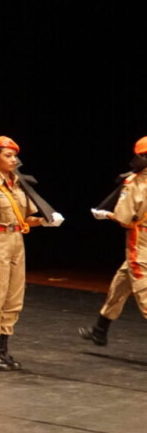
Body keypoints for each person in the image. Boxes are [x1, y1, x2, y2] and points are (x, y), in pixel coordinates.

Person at [0, 136, 63, 371]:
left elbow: (26, 220)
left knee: (13, 299)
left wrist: (45, 221)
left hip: (16, 241)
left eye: (14, 156)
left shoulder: (18, 185)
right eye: (8, 156)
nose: (14, 160)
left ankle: (3, 350)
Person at [82, 136, 147, 346]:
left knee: (145, 295)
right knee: (120, 284)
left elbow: (124, 219)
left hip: (141, 244)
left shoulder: (135, 183)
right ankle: (100, 329)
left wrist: (105, 214)